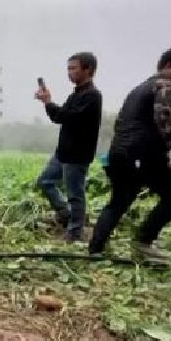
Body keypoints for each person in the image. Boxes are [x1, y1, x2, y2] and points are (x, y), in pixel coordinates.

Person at [89, 45, 171, 259]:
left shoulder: (140, 88)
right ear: (169, 66)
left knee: (119, 200)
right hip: (144, 154)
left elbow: (120, 122)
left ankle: (95, 249)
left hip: (119, 153)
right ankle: (143, 241)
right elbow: (165, 119)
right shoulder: (167, 85)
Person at [34, 52, 103, 243]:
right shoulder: (77, 93)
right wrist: (47, 102)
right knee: (45, 181)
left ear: (88, 70)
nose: (69, 73)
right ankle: (65, 214)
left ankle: (75, 232)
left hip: (77, 155)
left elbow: (68, 117)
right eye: (68, 69)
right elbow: (60, 116)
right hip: (63, 152)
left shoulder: (92, 96)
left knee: (75, 194)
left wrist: (48, 102)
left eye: (73, 68)